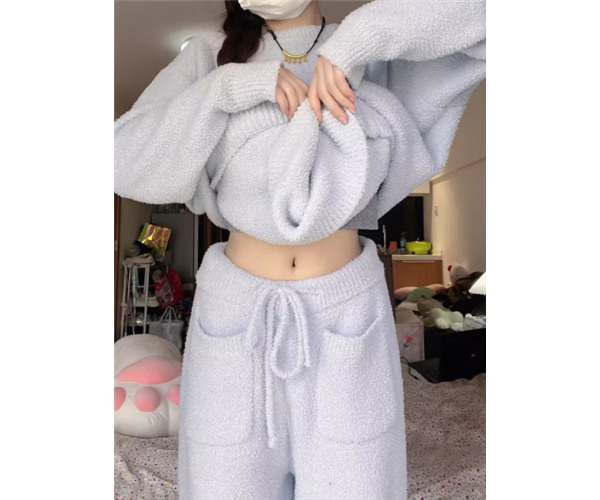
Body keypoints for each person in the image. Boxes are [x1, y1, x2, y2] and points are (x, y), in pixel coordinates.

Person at [114, 1, 487, 498]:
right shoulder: (210, 55)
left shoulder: (371, 49)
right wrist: (228, 89)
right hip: (235, 319)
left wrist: (357, 41)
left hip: (346, 314)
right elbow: (124, 157)